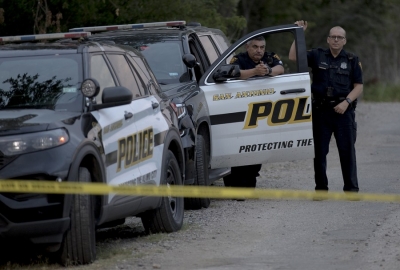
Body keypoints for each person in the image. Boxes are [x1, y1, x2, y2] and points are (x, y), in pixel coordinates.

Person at [288, 20, 363, 193]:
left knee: (347, 152)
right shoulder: (317, 55)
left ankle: (351, 189)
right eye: (333, 37)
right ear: (328, 39)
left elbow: (358, 86)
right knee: (320, 154)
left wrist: (346, 102)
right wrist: (297, 32)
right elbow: (293, 57)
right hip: (321, 111)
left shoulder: (352, 59)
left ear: (344, 41)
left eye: (340, 37)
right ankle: (321, 188)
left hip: (343, 112)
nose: (336, 40)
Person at [224, 36, 284, 190]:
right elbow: (234, 73)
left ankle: (249, 181)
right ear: (247, 47)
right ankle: (235, 182)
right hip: (241, 109)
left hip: (262, 111)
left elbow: (280, 69)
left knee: (258, 146)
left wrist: (268, 70)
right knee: (240, 146)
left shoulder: (270, 57)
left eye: (262, 47)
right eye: (255, 47)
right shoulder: (239, 59)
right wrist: (255, 71)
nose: (259, 50)